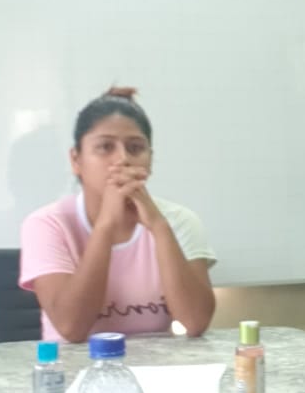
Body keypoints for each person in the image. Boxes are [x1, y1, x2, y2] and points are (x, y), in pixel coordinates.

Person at [21, 87, 217, 342]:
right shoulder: (47, 224)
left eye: (135, 148)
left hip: (155, 365)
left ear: (150, 160)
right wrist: (106, 226)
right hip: (74, 365)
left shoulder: (180, 220)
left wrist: (159, 227)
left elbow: (195, 323)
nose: (122, 159)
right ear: (76, 160)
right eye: (105, 147)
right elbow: (71, 328)